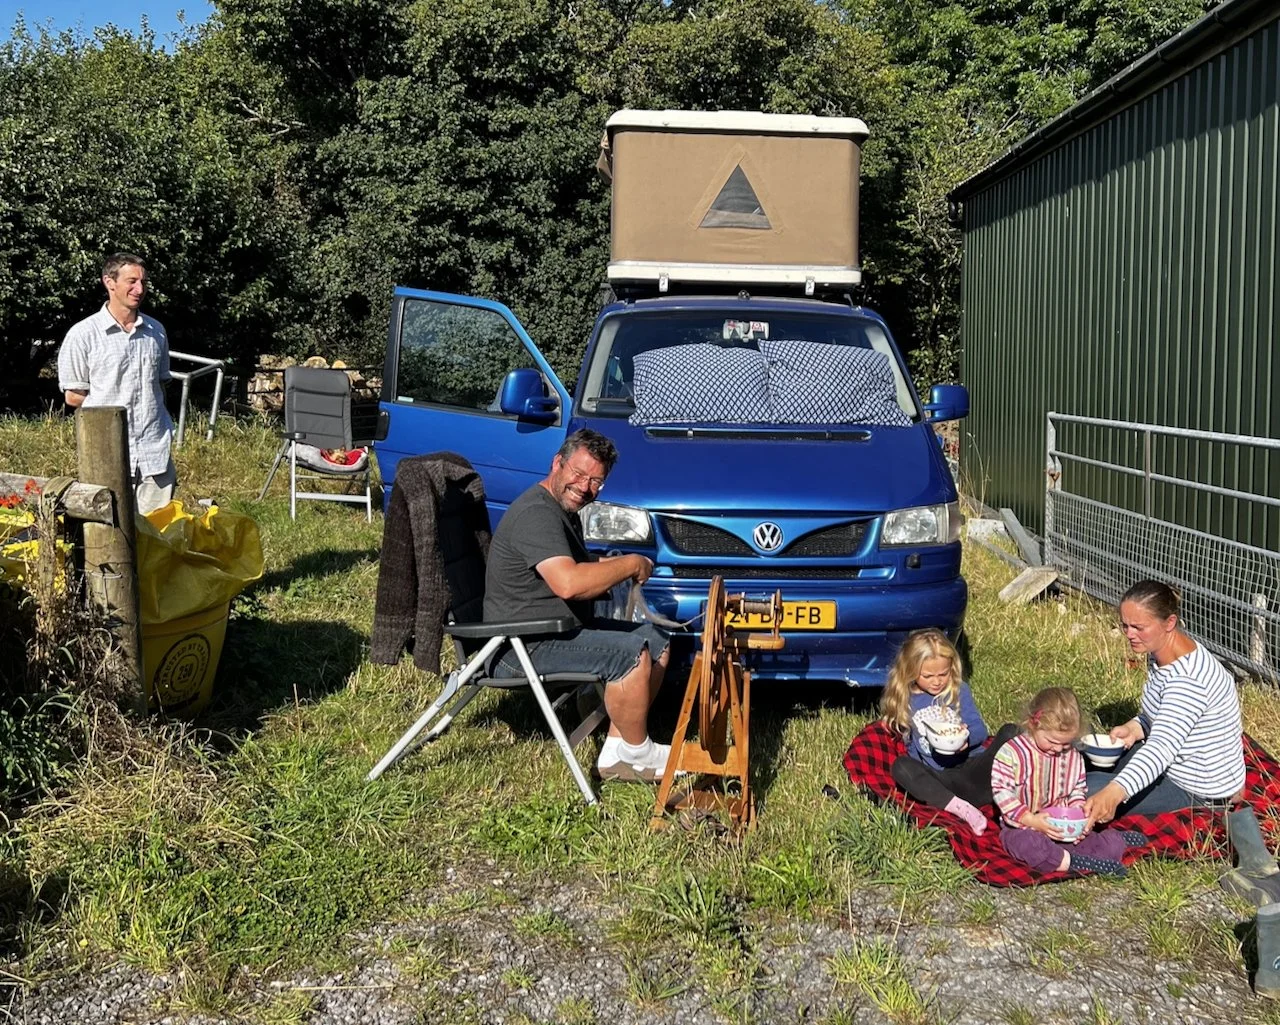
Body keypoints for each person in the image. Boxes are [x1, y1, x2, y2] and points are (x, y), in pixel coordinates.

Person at [484, 428, 671, 783]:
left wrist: (624, 565)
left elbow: (581, 568)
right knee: (632, 653)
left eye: (596, 482)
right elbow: (569, 583)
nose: (585, 487)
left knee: (658, 641)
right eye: (579, 474)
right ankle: (634, 753)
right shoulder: (536, 514)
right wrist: (630, 563)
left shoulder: (562, 510)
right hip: (519, 646)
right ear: (558, 463)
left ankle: (620, 744)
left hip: (553, 629)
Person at [1084, 580, 1245, 828]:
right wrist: (1135, 727)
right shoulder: (1160, 653)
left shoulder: (1189, 681)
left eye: (1138, 627)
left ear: (1169, 623)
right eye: (1125, 625)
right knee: (1083, 762)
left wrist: (1114, 793)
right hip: (1173, 764)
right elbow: (1161, 715)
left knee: (1085, 789)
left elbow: (1160, 750)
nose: (1129, 634)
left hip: (1197, 791)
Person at [57, 253, 176, 516]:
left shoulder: (156, 332)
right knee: (113, 539)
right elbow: (74, 396)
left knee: (160, 536)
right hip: (107, 455)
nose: (140, 289)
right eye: (131, 281)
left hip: (154, 452)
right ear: (109, 282)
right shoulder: (83, 335)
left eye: (143, 282)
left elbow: (160, 385)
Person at [882, 628, 1018, 835]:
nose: (937, 681)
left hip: (977, 772)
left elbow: (980, 731)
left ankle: (1014, 793)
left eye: (943, 674)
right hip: (945, 783)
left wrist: (966, 739)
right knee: (901, 767)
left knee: (1012, 731)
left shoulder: (958, 690)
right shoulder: (907, 700)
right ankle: (963, 810)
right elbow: (911, 750)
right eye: (927, 676)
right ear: (910, 671)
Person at [992, 687, 1134, 877]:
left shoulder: (1072, 755)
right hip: (1022, 825)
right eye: (1052, 741)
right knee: (1026, 845)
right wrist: (1031, 820)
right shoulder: (1012, 753)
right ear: (1033, 724)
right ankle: (1075, 862)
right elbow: (1002, 792)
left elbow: (1077, 789)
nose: (1058, 749)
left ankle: (1116, 841)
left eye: (1066, 743)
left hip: (1061, 825)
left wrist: (1079, 818)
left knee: (1089, 841)